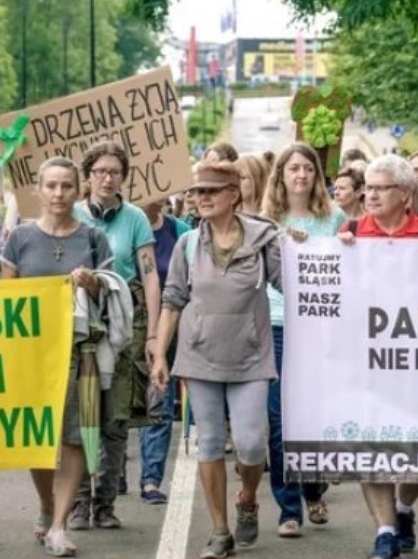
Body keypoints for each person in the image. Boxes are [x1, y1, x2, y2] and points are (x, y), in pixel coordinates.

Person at [148, 159, 284, 559]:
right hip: (199, 355)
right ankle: (220, 531)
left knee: (252, 444)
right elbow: (173, 300)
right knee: (207, 441)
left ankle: (247, 498)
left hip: (250, 356)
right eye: (196, 192)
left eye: (210, 191)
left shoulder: (263, 239)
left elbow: (292, 282)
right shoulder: (189, 243)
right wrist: (160, 356)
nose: (201, 198)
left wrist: (305, 249)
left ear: (233, 195)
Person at [0, 156, 113, 557]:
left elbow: (111, 295)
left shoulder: (95, 238)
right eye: (51, 186)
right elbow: (5, 300)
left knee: (74, 438)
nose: (59, 193)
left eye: (67, 185)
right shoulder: (20, 239)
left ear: (79, 188)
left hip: (79, 353)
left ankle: (60, 524)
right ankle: (47, 504)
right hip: (33, 354)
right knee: (38, 438)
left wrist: (93, 281)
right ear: (39, 190)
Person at [337, 154, 418, 559]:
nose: (372, 194)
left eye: (381, 188)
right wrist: (336, 253)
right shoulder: (349, 232)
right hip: (365, 362)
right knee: (372, 447)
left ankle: (403, 508)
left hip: (417, 363)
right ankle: (385, 531)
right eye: (368, 186)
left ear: (405, 194)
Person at [69, 141, 161, 530]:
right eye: (100, 171)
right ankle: (77, 503)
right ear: (87, 176)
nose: (108, 178)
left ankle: (105, 504)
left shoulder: (135, 217)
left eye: (115, 172)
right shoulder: (70, 214)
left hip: (124, 322)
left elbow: (150, 274)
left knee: (115, 416)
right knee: (78, 413)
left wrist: (154, 335)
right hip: (78, 323)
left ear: (124, 178)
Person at [260, 143, 345, 537]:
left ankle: (313, 487)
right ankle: (288, 509)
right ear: (281, 175)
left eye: (308, 169)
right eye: (293, 168)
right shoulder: (265, 222)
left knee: (316, 418)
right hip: (276, 324)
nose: (301, 175)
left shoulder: (335, 218)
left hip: (319, 327)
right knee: (279, 420)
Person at [137, 198, 191, 505]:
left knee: (161, 398)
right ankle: (111, 475)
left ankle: (151, 479)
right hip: (131, 325)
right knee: (128, 403)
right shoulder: (128, 225)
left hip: (170, 325)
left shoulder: (179, 230)